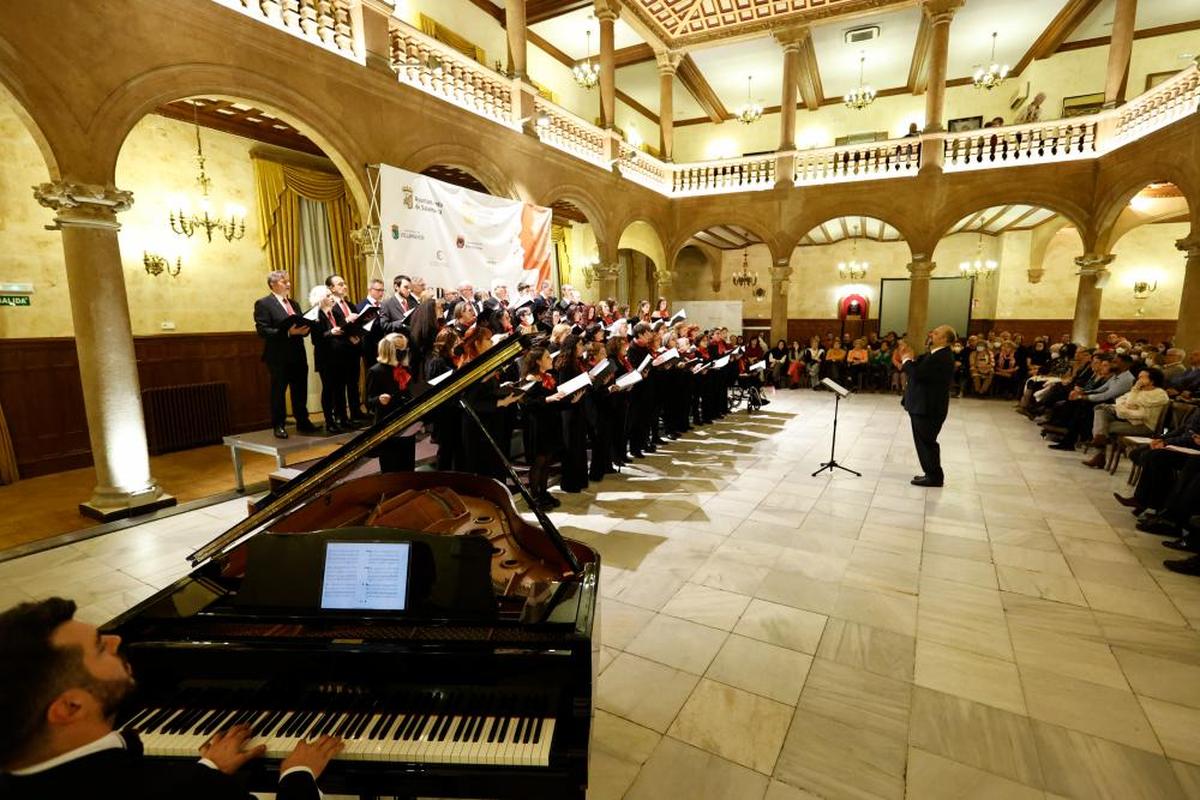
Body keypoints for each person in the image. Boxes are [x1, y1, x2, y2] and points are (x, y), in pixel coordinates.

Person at [0, 597, 341, 800]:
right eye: (100, 648)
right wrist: (297, 776)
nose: (118, 639)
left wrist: (207, 771)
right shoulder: (185, 792)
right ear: (70, 708)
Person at [253, 271, 317, 439]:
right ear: (273, 284)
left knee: (300, 390)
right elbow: (263, 330)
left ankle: (303, 421)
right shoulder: (264, 303)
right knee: (278, 391)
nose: (288, 284)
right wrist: (288, 333)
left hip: (297, 354)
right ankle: (279, 425)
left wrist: (305, 329)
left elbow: (298, 326)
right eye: (284, 281)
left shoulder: (294, 304)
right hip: (278, 356)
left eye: (288, 281)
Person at [898, 325, 957, 487]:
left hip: (928, 407)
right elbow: (918, 366)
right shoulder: (935, 354)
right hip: (922, 405)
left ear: (945, 339)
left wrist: (906, 360)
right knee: (923, 442)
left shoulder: (942, 357)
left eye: (936, 333)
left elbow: (917, 374)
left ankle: (934, 477)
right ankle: (930, 473)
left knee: (927, 442)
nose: (932, 334)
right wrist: (908, 356)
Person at [365, 333, 415, 472]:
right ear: (389, 350)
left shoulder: (406, 369)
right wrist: (379, 399)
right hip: (387, 423)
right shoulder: (375, 371)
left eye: (405, 348)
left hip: (406, 422)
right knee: (390, 467)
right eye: (399, 349)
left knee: (408, 466)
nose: (403, 352)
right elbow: (368, 401)